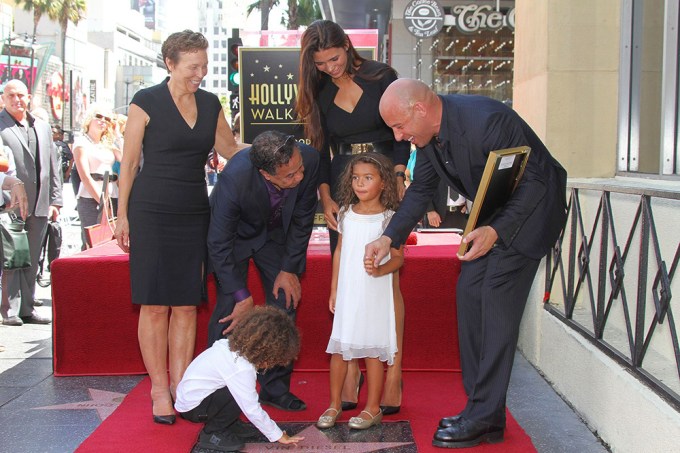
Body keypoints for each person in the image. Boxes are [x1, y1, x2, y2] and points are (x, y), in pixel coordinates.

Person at [366, 78, 568, 448]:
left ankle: (483, 414)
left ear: (420, 110)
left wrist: (497, 229)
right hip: (492, 214)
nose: (397, 137)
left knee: (494, 302)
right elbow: (422, 192)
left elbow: (536, 181)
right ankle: (483, 411)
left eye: (399, 125)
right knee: (469, 293)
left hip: (531, 212)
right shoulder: (427, 139)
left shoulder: (487, 120)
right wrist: (388, 237)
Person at [113, 30, 242, 425]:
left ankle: (182, 386)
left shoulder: (209, 102)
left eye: (203, 66)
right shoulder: (145, 101)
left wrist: (278, 147)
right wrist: (122, 215)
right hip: (150, 210)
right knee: (154, 304)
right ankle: (157, 389)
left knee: (186, 304)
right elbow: (130, 163)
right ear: (170, 64)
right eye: (192, 67)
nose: (200, 74)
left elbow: (231, 149)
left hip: (193, 210)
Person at [296, 18, 409, 415]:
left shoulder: (382, 77)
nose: (331, 67)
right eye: (322, 63)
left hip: (383, 179)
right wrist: (325, 195)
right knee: (348, 276)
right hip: (344, 184)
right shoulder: (320, 89)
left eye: (335, 57)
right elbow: (323, 150)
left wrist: (398, 176)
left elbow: (401, 134)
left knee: (387, 278)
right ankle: (352, 370)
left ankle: (391, 370)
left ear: (347, 45)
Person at [207, 130, 319, 412]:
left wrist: (289, 268)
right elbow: (218, 242)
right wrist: (242, 295)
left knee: (284, 303)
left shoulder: (309, 159)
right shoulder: (235, 178)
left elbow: (304, 218)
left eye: (299, 170)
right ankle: (220, 394)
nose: (299, 178)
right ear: (266, 174)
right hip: (236, 237)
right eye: (289, 176)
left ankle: (275, 389)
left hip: (276, 236)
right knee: (229, 310)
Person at [316, 153, 403, 431]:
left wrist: (379, 270)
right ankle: (334, 404)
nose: (360, 183)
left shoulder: (390, 219)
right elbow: (339, 252)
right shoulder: (345, 213)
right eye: (355, 178)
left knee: (372, 350)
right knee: (341, 347)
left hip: (375, 292)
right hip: (349, 291)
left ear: (383, 183)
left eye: (368, 178)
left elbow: (399, 258)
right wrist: (333, 289)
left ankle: (372, 407)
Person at [175, 306, 305, 452]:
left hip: (192, 400)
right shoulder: (241, 368)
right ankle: (212, 432)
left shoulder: (230, 346)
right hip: (194, 409)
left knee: (239, 390)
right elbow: (251, 408)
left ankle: (229, 423)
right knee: (241, 394)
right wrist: (278, 435)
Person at [0, 79, 61, 326]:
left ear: (29, 97)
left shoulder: (43, 127)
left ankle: (27, 307)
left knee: (33, 257)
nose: (17, 100)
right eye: (11, 95)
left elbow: (53, 165)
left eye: (21, 95)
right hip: (10, 203)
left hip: (40, 204)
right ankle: (10, 310)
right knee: (13, 256)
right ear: (3, 98)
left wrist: (55, 200)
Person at [72, 108, 121, 249]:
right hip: (91, 196)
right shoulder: (81, 142)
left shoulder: (108, 144)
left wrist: (117, 134)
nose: (103, 121)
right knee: (92, 241)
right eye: (99, 116)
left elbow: (125, 158)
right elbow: (85, 177)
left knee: (111, 239)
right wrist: (102, 203)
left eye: (107, 119)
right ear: (89, 119)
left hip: (112, 195)